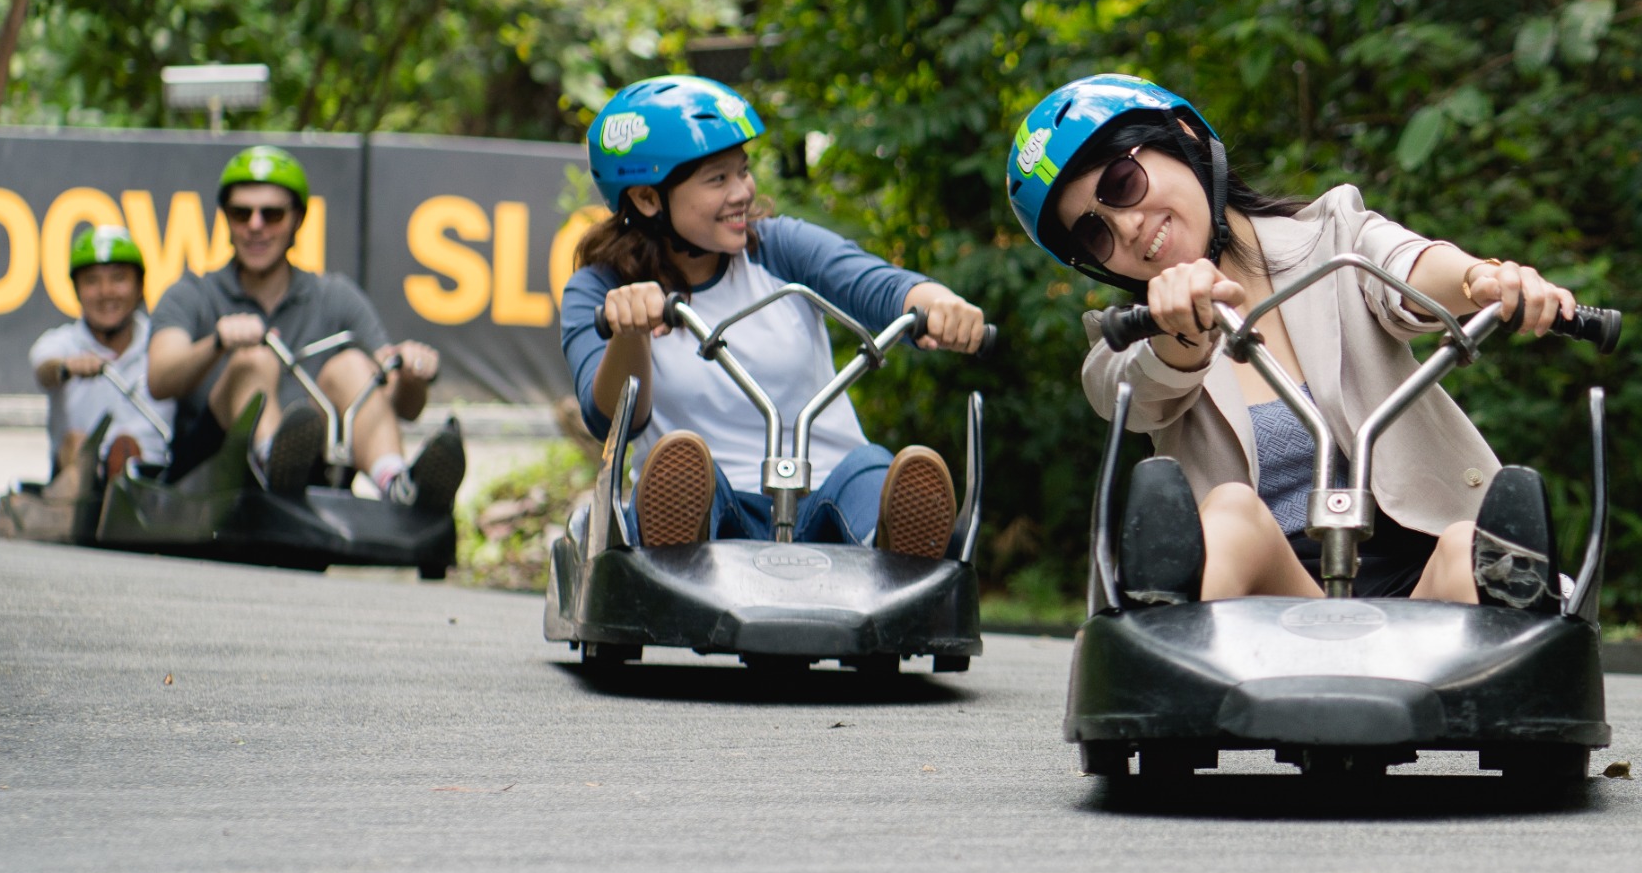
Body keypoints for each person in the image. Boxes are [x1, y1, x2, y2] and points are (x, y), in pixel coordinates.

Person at [1008, 73, 1581, 605]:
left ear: (1182, 138)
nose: (1125, 226)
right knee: (1231, 514)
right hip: (1272, 608)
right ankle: (1164, 663)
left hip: (1422, 590)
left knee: (1468, 546)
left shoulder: (1335, 237)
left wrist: (1478, 279)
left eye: (1122, 182)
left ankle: (1524, 655)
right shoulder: (1130, 340)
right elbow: (1127, 389)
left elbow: (1403, 265)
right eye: (1094, 233)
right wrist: (1181, 330)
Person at [559, 76, 985, 552]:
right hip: (710, 509)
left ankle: (899, 557)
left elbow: (877, 285)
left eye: (742, 171)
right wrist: (629, 332)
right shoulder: (599, 289)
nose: (742, 191)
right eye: (718, 179)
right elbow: (611, 422)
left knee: (871, 469)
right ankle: (679, 553)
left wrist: (938, 302)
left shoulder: (779, 248)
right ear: (646, 198)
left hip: (827, 493)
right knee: (684, 466)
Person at [146, 144, 462, 513]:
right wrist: (217, 342)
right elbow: (159, 378)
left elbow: (402, 406)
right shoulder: (190, 293)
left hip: (312, 471)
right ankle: (271, 463)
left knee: (351, 366)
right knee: (254, 361)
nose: (255, 226)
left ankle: (397, 486)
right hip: (210, 468)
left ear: (297, 220)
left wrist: (411, 374)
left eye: (273, 214)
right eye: (241, 213)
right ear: (226, 219)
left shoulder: (336, 296)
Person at [29, 222, 173, 491]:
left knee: (127, 447)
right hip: (83, 485)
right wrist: (67, 368)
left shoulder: (163, 341)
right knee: (76, 443)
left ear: (141, 285)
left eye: (118, 279)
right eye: (92, 281)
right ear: (76, 290)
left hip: (157, 482)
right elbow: (44, 369)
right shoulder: (60, 344)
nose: (106, 292)